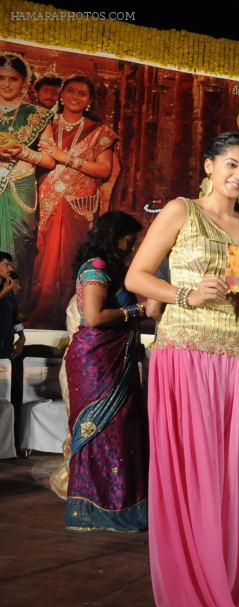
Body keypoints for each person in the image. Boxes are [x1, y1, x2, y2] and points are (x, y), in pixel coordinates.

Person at [125, 131, 239, 607]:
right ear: (211, 165)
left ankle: (232, 593)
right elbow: (137, 278)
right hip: (183, 356)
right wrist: (185, 295)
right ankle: (188, 593)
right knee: (189, 478)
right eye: (231, 165)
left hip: (236, 361)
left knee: (233, 482)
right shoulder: (180, 211)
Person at [63, 211, 148, 532]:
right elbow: (95, 317)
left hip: (116, 360)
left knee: (123, 429)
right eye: (129, 239)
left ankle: (122, 506)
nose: (131, 246)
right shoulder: (96, 267)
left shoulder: (114, 268)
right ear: (114, 236)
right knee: (102, 431)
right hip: (96, 362)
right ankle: (95, 510)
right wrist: (137, 310)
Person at [27, 75, 116, 326]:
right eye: (71, 91)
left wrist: (63, 157)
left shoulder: (100, 132)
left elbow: (104, 170)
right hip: (46, 199)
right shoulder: (44, 123)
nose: (76, 96)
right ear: (62, 94)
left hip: (78, 204)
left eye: (82, 93)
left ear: (89, 101)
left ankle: (71, 314)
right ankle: (40, 309)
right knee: (42, 254)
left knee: (72, 255)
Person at [0, 52, 54, 297]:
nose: (6, 84)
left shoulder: (38, 115)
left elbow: (49, 159)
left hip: (19, 187)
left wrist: (24, 152)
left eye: (13, 78)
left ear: (24, 81)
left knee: (19, 247)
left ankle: (12, 307)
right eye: (1, 78)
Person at [0, 251, 24, 359]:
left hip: (6, 348)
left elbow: (14, 316)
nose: (10, 269)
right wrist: (4, 291)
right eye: (6, 265)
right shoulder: (7, 289)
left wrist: (22, 337)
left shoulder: (8, 288)